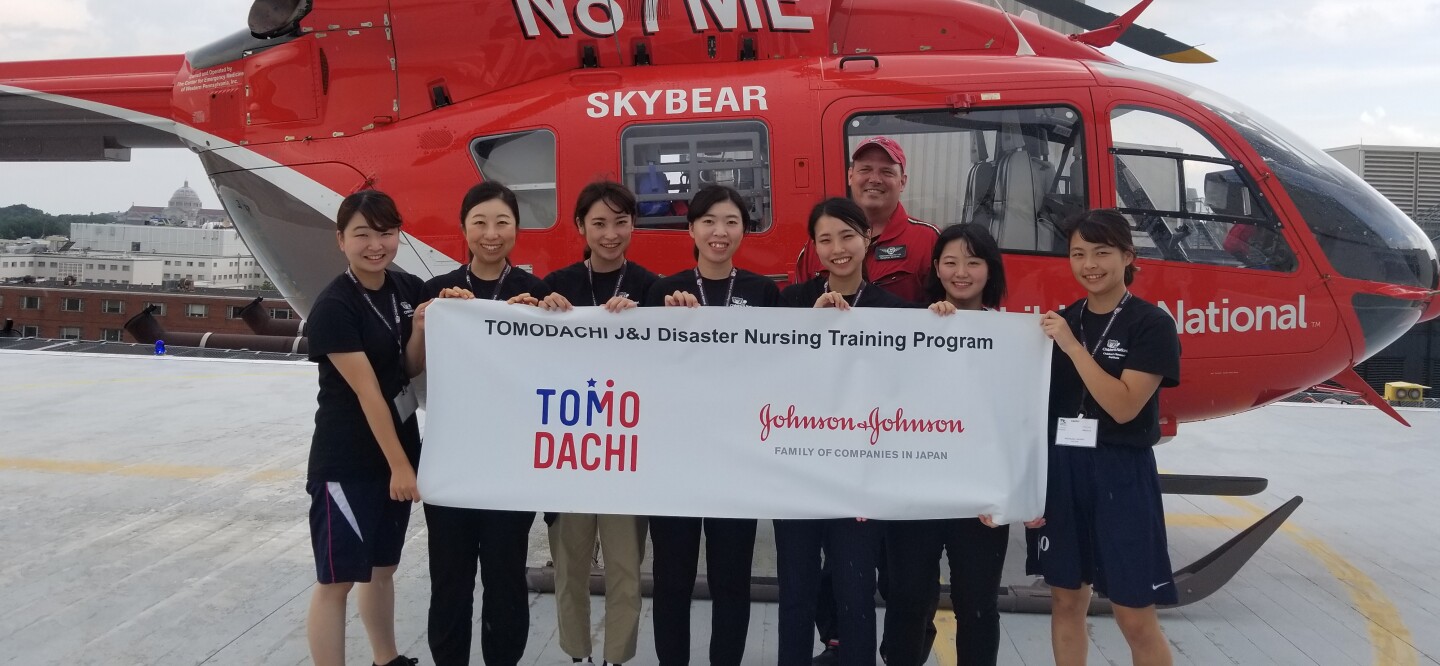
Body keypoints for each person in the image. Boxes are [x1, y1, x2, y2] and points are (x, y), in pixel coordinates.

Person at [305, 189, 461, 666]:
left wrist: (417, 330)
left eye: (387, 233)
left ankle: (386, 659)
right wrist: (400, 466)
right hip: (348, 459)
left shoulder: (408, 287)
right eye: (363, 235)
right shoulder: (334, 305)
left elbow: (409, 369)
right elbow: (369, 393)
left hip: (397, 448)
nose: (376, 244)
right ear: (341, 240)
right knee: (337, 580)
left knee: (382, 568)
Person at [883, 223, 1039, 666]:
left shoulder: (1014, 336)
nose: (961, 272)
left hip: (980, 501)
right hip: (916, 494)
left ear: (991, 270)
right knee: (908, 598)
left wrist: (1014, 494)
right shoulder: (910, 327)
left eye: (973, 262)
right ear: (935, 268)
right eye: (950, 262)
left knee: (977, 604)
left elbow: (1021, 419)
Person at [1037, 209, 1181, 666]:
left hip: (1121, 471)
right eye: (1078, 253)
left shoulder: (1150, 325)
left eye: (1101, 253)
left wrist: (1074, 349)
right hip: (1065, 468)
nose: (1089, 264)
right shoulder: (1061, 320)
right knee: (1065, 602)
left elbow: (1123, 405)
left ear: (1127, 256)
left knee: (1134, 614)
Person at [645, 185, 780, 666]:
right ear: (691, 229)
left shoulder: (763, 292)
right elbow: (641, 367)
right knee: (672, 579)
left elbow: (781, 369)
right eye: (708, 222)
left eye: (731, 222)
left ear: (744, 229)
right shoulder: (664, 291)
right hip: (675, 461)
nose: (719, 232)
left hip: (737, 461)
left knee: (731, 580)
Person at [774, 198, 909, 666]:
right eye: (825, 239)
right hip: (796, 475)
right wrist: (814, 324)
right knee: (795, 591)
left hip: (860, 478)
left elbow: (902, 389)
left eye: (847, 236)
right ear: (813, 246)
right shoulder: (791, 302)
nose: (837, 248)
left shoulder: (894, 311)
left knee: (856, 592)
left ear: (867, 238)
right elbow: (767, 376)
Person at [423, 181, 553, 666]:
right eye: (480, 223)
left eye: (502, 222)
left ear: (517, 229)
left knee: (504, 578)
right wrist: (427, 320)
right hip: (452, 458)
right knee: (450, 580)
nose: (491, 233)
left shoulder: (536, 293)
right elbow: (414, 365)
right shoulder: (438, 292)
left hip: (511, 463)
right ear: (464, 229)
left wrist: (542, 323)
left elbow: (554, 372)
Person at [536, 181, 658, 666]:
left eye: (621, 222)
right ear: (581, 227)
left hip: (627, 455)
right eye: (600, 223)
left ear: (633, 225)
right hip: (570, 453)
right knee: (570, 569)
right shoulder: (556, 286)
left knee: (626, 570)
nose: (611, 234)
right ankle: (576, 654)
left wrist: (646, 318)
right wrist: (541, 319)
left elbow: (667, 362)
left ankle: (616, 658)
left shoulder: (652, 286)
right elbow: (529, 359)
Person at [795, 136, 939, 304]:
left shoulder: (928, 240)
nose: (875, 179)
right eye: (865, 170)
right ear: (850, 176)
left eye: (887, 172)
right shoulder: (818, 245)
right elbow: (799, 311)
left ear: (902, 182)